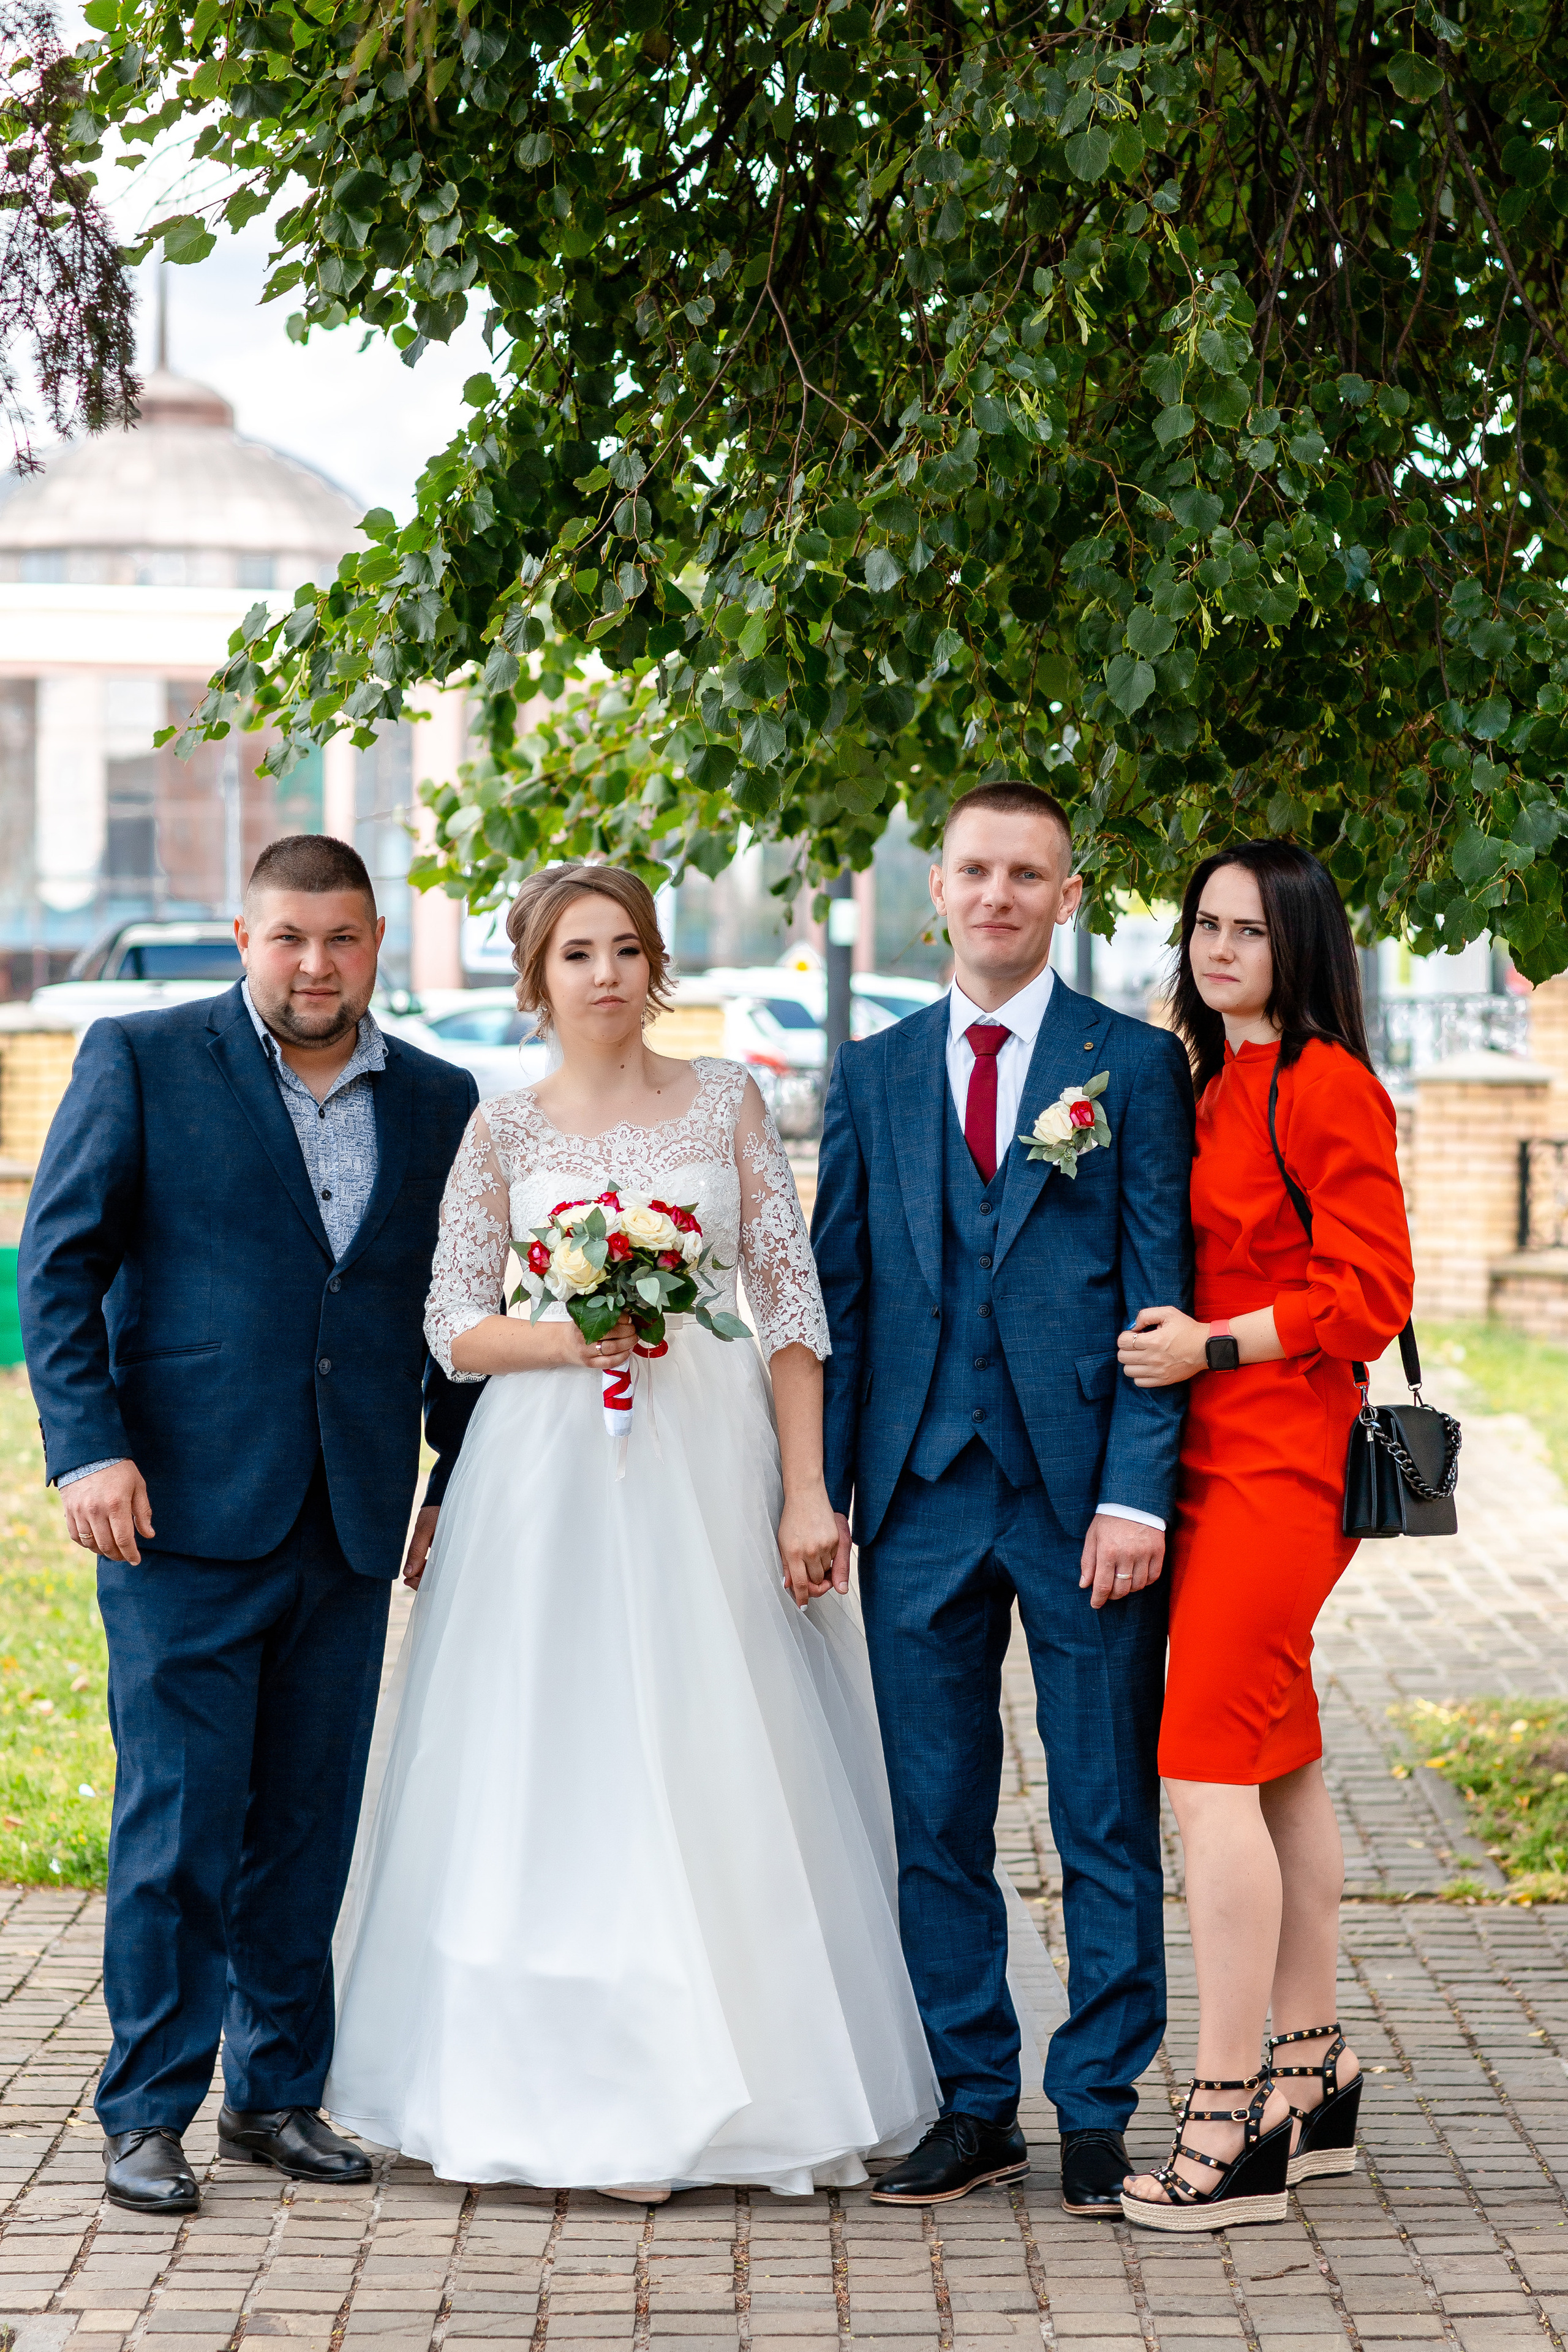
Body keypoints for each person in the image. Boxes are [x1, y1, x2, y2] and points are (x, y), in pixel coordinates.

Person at [322, 861, 938, 2196]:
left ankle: (747, 2078)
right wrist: (574, 1332)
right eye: (575, 956)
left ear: (653, 965)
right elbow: (451, 1326)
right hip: (546, 1477)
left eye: (623, 950)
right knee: (556, 1754)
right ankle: (559, 2083)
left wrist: (802, 1489)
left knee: (720, 1745)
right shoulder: (502, 1130)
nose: (603, 975)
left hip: (708, 1461)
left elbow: (787, 1310)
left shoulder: (727, 1100)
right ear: (535, 980)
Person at [18, 835, 483, 2218]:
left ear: (376, 945)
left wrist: (453, 1476)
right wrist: (87, 1451)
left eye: (341, 939)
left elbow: (449, 1315)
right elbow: (62, 1264)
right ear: (243, 935)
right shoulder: (142, 1058)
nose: (315, 965)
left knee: (304, 1824)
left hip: (346, 1517)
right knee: (175, 1825)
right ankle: (148, 2111)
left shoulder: (442, 1100)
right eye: (289, 938)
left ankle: (276, 2098)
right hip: (174, 1515)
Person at [811, 782, 1195, 2215]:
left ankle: (1095, 2106)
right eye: (974, 870)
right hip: (913, 1501)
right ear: (937, 891)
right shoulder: (872, 1071)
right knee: (934, 1820)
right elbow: (836, 1292)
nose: (996, 895)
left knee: (1101, 1812)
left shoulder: (1132, 1070)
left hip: (1080, 1502)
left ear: (1066, 894)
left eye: (1025, 874)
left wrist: (1137, 1500)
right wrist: (825, 1490)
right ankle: (974, 2103)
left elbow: (1165, 1290)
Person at [1115, 842, 1413, 2233]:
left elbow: (1369, 1291)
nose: (1216, 947)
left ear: (1298, 944)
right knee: (1277, 1758)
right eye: (1202, 925)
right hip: (1207, 1459)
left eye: (1246, 928)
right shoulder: (1207, 1079)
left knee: (1201, 1767)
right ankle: (1315, 2067)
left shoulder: (1322, 1083)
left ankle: (1226, 2118)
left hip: (1280, 1466)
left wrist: (1211, 1343)